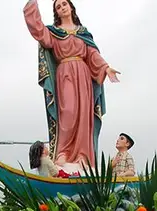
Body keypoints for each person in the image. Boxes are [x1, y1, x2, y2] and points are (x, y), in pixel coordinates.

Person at [24, 0, 121, 170]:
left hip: (83, 76)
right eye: (58, 7)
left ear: (71, 6)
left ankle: (83, 156)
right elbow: (39, 31)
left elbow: (92, 54)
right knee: (68, 112)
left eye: (64, 4)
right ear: (56, 12)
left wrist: (106, 68)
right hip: (65, 74)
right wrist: (33, 4)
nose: (62, 8)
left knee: (84, 114)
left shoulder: (83, 33)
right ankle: (63, 153)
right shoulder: (54, 32)